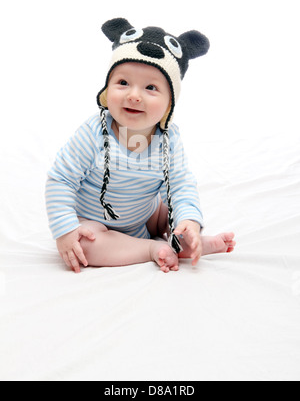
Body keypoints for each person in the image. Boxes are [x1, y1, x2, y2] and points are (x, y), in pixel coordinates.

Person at [45, 18, 235, 273]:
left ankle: (187, 241)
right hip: (94, 223)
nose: (134, 95)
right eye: (123, 83)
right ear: (107, 88)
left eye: (150, 87)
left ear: (169, 104)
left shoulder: (168, 141)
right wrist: (65, 230)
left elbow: (180, 184)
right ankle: (148, 249)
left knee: (170, 212)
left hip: (145, 216)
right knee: (83, 244)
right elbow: (60, 181)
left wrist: (188, 220)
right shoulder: (92, 133)